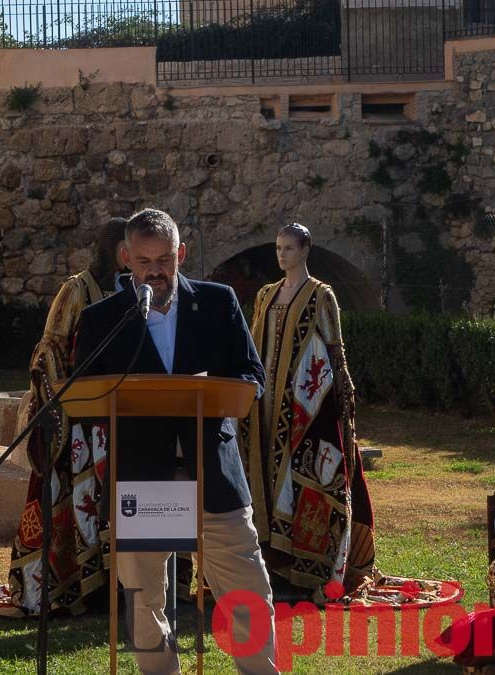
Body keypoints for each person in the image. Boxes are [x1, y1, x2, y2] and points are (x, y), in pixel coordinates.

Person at [74, 208, 278, 674]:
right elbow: (84, 393)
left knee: (248, 593)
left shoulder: (218, 301)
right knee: (145, 601)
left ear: (181, 254)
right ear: (126, 258)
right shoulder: (102, 320)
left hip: (214, 475)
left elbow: (253, 375)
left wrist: (214, 391)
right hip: (144, 477)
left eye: (165, 259)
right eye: (144, 261)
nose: (155, 271)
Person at [0, 218, 127, 618]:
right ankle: (66, 588)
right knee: (71, 502)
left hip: (113, 421)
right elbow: (47, 350)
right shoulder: (76, 289)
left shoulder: (129, 291)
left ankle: (107, 587)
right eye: (127, 248)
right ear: (115, 249)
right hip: (74, 424)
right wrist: (62, 398)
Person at [239, 223, 375, 602]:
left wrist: (344, 401)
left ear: (305, 250)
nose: (281, 255)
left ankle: (305, 563)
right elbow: (253, 344)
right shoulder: (266, 295)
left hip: (306, 409)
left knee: (301, 479)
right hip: (265, 405)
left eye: (288, 248)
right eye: (278, 248)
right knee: (264, 477)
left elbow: (335, 349)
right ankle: (269, 557)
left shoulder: (321, 295)